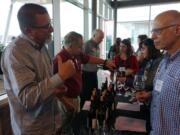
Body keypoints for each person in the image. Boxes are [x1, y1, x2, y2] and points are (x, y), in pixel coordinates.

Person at [1, 3, 76, 135]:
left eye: (50, 23)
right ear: (28, 30)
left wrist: (56, 90)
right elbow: (27, 98)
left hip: (52, 124)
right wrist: (60, 76)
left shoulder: (42, 46)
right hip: (33, 130)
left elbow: (43, 85)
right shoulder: (15, 53)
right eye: (46, 26)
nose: (52, 29)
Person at [53, 31, 115, 134]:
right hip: (66, 101)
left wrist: (105, 62)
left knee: (74, 125)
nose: (82, 49)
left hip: (76, 98)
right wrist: (66, 103)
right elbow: (54, 88)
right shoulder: (58, 59)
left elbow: (89, 58)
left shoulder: (76, 54)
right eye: (79, 47)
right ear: (71, 46)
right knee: (63, 128)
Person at [136, 10, 180, 135]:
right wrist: (151, 95)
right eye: (152, 32)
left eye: (158, 31)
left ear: (177, 30)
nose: (153, 37)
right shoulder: (164, 61)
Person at [81, 29, 105, 107]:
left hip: (94, 73)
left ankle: (92, 111)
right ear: (94, 36)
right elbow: (81, 58)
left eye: (102, 38)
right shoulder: (86, 45)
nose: (101, 40)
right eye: (100, 38)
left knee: (94, 93)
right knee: (85, 95)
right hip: (86, 74)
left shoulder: (97, 46)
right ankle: (83, 113)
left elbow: (96, 61)